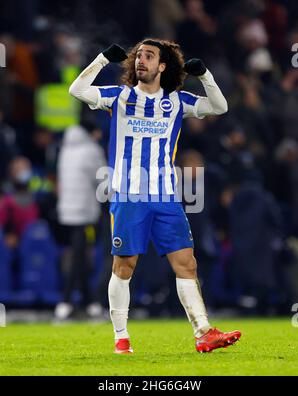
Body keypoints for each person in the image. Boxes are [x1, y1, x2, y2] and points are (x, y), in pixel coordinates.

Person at [69, 38, 241, 353]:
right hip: (128, 194)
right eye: (138, 56)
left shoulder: (176, 101)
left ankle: (203, 331)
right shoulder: (119, 97)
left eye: (149, 56)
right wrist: (101, 60)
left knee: (186, 263)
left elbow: (220, 106)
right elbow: (76, 90)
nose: (141, 61)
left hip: (165, 196)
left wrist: (204, 76)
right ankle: (121, 337)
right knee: (124, 266)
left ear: (162, 66)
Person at [55, 119, 106, 320]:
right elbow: (103, 179)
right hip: (85, 212)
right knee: (79, 256)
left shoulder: (66, 148)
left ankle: (89, 301)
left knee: (80, 254)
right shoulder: (91, 150)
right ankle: (66, 301)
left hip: (67, 211)